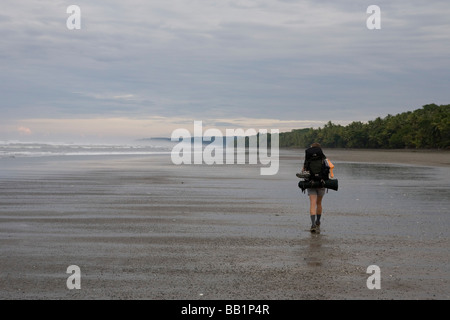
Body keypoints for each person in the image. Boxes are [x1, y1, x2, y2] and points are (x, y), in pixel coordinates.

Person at [302, 143, 326, 233]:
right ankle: (318, 221)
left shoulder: (308, 159)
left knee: (312, 203)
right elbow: (329, 169)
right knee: (319, 203)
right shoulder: (323, 158)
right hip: (321, 183)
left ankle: (312, 225)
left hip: (311, 183)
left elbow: (303, 171)